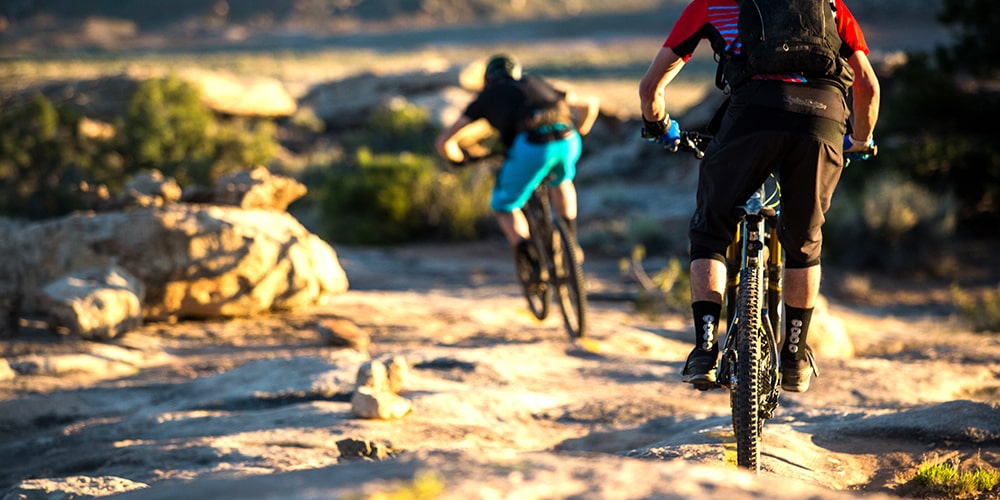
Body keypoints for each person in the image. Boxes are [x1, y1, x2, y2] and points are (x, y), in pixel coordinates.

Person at [638, 0, 880, 392]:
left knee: (711, 232)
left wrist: (658, 124)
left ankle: (704, 350)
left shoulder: (713, 4)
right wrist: (862, 140)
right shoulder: (830, 6)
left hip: (754, 114)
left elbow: (651, 86)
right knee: (804, 243)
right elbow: (867, 84)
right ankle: (795, 357)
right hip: (823, 116)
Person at [436, 54, 600, 282]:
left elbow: (446, 142)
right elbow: (590, 104)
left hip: (531, 146)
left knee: (504, 205)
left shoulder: (486, 96)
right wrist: (581, 131)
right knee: (561, 180)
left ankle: (532, 263)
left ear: (488, 79)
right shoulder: (537, 82)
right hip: (567, 138)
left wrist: (459, 160)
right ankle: (570, 243)